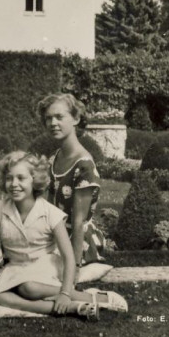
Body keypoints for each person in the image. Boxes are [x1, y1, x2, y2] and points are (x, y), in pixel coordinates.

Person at [0, 152, 127, 320]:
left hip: (46, 266)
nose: (14, 184)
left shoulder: (50, 213)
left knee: (29, 288)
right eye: (9, 178)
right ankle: (74, 308)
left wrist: (65, 292)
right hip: (16, 267)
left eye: (21, 178)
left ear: (35, 180)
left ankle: (92, 298)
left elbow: (69, 258)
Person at [37, 93, 106, 271]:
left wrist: (73, 266)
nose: (53, 123)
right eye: (48, 118)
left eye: (59, 117)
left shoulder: (83, 166)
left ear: (75, 118)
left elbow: (79, 222)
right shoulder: (54, 158)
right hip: (55, 236)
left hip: (77, 243)